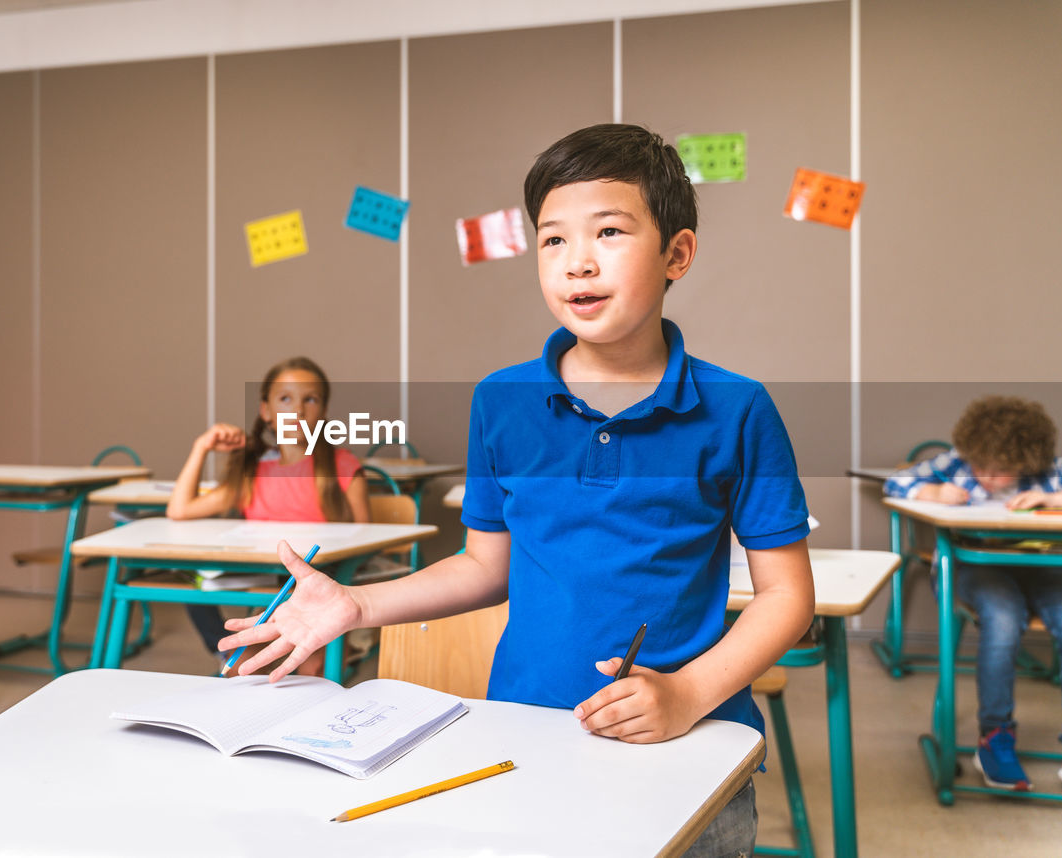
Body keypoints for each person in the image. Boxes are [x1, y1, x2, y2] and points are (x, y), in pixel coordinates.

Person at [220, 125, 815, 856]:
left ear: (677, 254)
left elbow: (787, 596)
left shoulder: (737, 408)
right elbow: (484, 567)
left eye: (609, 231)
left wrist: (687, 694)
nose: (579, 262)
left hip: (684, 744)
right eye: (553, 240)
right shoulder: (502, 403)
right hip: (527, 734)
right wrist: (359, 604)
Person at [884, 395, 1062, 793]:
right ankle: (995, 735)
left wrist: (1057, 500)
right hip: (974, 569)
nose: (986, 477)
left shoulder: (1052, 473)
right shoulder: (956, 462)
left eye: (1002, 471)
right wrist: (932, 494)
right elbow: (896, 481)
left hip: (1042, 569)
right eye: (980, 465)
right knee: (1003, 621)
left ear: (1027, 461)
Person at [166, 355, 370, 676]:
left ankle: (343, 650)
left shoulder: (343, 468)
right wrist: (201, 447)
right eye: (286, 399)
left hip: (317, 591)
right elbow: (179, 510)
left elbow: (367, 541)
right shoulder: (254, 472)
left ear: (323, 412)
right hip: (266, 585)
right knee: (191, 580)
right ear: (266, 411)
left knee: (310, 673)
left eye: (311, 400)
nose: (299, 411)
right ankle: (224, 650)